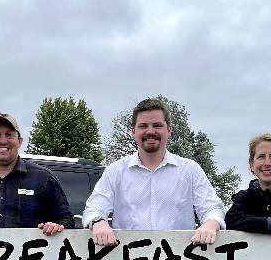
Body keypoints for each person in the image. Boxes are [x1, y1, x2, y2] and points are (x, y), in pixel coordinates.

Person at [82, 98, 225, 246]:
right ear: (133, 131)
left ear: (169, 130)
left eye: (157, 125)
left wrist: (210, 224)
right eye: (143, 126)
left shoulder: (190, 170)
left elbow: (212, 208)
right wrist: (98, 222)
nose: (150, 131)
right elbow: (94, 209)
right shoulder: (115, 171)